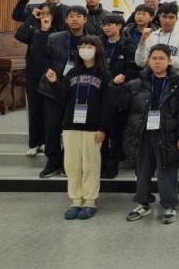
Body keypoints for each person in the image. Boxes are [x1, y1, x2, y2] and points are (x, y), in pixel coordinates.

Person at [113, 44, 179, 225]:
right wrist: (116, 86)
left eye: (161, 58)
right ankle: (143, 203)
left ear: (169, 61)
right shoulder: (136, 83)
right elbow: (120, 105)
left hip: (167, 135)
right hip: (142, 134)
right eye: (154, 58)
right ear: (148, 61)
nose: (157, 62)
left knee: (167, 171)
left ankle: (169, 205)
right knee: (142, 171)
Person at [41, 35, 112, 220]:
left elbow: (108, 104)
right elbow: (63, 98)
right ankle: (76, 200)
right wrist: (54, 82)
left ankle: (89, 201)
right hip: (71, 125)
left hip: (93, 127)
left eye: (90, 46)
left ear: (97, 49)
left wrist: (103, 128)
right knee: (72, 165)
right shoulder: (72, 72)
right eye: (82, 46)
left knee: (91, 165)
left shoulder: (104, 74)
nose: (85, 49)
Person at [32, 5, 88, 178]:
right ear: (66, 19)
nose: (75, 19)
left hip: (77, 91)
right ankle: (53, 161)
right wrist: (43, 31)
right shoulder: (54, 37)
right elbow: (38, 56)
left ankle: (66, 162)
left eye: (78, 16)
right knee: (51, 127)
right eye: (71, 16)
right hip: (52, 87)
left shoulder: (91, 39)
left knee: (73, 129)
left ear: (85, 19)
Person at [15, 2, 63, 156]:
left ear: (54, 15)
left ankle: (47, 142)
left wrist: (46, 30)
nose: (45, 16)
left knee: (49, 110)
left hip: (52, 74)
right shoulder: (33, 27)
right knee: (35, 109)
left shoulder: (59, 30)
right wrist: (31, 18)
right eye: (43, 13)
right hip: (33, 74)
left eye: (49, 13)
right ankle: (34, 143)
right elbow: (19, 35)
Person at [99, 14, 137, 178]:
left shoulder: (128, 45)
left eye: (110, 24)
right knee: (101, 130)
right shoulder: (98, 42)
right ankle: (100, 163)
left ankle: (112, 165)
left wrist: (124, 76)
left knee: (116, 131)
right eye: (104, 25)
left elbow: (133, 69)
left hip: (118, 92)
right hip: (100, 91)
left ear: (119, 26)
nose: (106, 28)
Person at [135, 2, 179, 77]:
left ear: (176, 19)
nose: (167, 20)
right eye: (164, 16)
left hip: (173, 80)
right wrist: (142, 41)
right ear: (159, 17)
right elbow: (140, 62)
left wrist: (154, 59)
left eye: (171, 17)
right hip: (150, 79)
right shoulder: (150, 36)